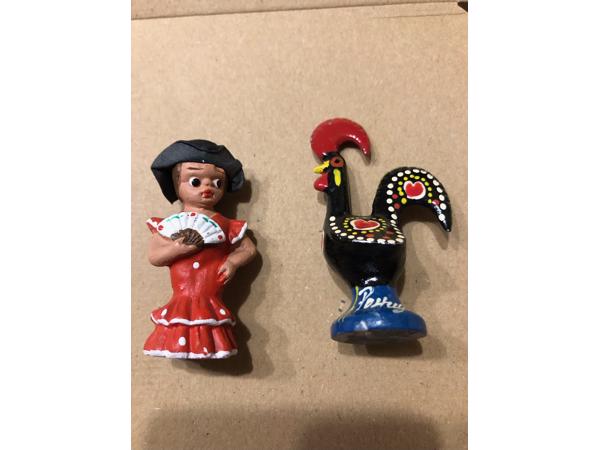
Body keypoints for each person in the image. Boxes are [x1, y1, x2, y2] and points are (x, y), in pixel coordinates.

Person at [144, 139, 257, 359]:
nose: (207, 188)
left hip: (210, 293)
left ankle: (207, 347)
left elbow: (248, 249)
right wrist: (177, 249)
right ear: (176, 184)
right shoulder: (168, 225)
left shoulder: (226, 225)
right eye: (195, 181)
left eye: (217, 183)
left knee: (209, 324)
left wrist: (233, 262)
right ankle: (182, 346)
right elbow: (154, 256)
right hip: (182, 295)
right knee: (182, 320)